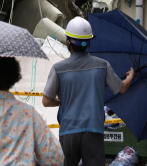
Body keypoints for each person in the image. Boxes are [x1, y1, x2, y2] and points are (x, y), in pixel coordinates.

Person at [42, 17, 136, 166]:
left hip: (68, 131)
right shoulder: (102, 65)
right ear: (89, 43)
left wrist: (60, 101)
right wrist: (130, 77)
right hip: (94, 131)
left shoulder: (58, 68)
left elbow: (46, 101)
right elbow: (121, 88)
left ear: (68, 43)